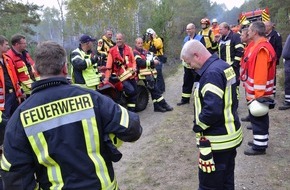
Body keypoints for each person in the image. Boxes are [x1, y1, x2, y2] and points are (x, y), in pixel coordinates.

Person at [0, 41, 143, 189]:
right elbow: (133, 129)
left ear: (35, 70)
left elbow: (13, 176)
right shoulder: (93, 99)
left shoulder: (19, 118)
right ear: (65, 68)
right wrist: (107, 140)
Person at [180, 39, 243, 189]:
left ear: (196, 55)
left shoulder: (211, 74)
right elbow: (234, 98)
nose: (190, 67)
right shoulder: (223, 66)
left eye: (189, 62)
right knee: (226, 182)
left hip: (217, 142)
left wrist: (197, 125)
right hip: (229, 136)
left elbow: (212, 111)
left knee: (209, 185)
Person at [240, 21, 276, 155]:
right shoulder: (258, 45)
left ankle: (259, 147)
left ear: (255, 32)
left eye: (249, 30)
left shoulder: (261, 49)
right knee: (258, 118)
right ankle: (259, 141)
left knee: (259, 117)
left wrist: (258, 96)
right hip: (256, 92)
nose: (247, 32)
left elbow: (260, 74)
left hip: (259, 93)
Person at [133, 37, 173, 112]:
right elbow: (140, 62)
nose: (140, 45)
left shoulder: (144, 51)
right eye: (139, 43)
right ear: (135, 44)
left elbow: (153, 56)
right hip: (143, 75)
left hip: (150, 74)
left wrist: (155, 59)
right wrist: (152, 62)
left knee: (153, 90)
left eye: (141, 43)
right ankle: (164, 104)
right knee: (155, 90)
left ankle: (156, 106)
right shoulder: (134, 52)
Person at [104, 33, 138, 112]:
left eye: (120, 39)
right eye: (117, 39)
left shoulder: (129, 48)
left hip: (130, 75)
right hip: (121, 77)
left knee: (135, 92)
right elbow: (108, 66)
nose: (118, 41)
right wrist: (106, 78)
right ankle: (128, 107)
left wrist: (134, 68)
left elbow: (133, 61)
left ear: (123, 40)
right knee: (131, 91)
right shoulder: (112, 51)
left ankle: (131, 110)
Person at [0, 35, 22, 146]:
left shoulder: (7, 59)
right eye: (6, 44)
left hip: (12, 94)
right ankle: (5, 143)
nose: (8, 47)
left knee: (15, 118)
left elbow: (14, 77)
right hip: (3, 98)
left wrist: (18, 91)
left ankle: (15, 141)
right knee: (5, 121)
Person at [177, 23, 205, 106]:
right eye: (187, 29)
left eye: (189, 29)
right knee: (187, 82)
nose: (188, 31)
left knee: (198, 83)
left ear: (194, 29)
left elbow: (203, 52)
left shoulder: (200, 38)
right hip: (187, 66)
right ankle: (185, 99)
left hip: (196, 66)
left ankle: (199, 99)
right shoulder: (186, 39)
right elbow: (183, 50)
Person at [6, 33, 39, 98]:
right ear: (17, 44)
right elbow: (13, 77)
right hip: (24, 92)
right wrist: (20, 91)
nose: (26, 45)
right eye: (24, 43)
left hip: (35, 87)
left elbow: (33, 68)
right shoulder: (9, 57)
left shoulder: (25, 53)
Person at [143, 28, 166, 93]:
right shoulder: (150, 42)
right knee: (155, 74)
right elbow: (146, 48)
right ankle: (157, 88)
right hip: (153, 58)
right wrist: (144, 41)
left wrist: (154, 37)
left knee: (158, 74)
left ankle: (161, 89)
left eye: (150, 35)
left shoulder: (158, 39)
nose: (149, 37)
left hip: (159, 58)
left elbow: (157, 45)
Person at [264, 21, 283, 95]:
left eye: (265, 26)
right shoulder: (264, 35)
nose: (264, 28)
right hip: (265, 59)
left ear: (270, 26)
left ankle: (273, 91)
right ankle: (266, 89)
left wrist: (276, 59)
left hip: (273, 59)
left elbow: (279, 48)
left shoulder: (276, 35)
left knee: (272, 75)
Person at [278, 34, 290, 110]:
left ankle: (288, 101)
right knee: (288, 82)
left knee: (288, 81)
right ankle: (288, 100)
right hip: (288, 62)